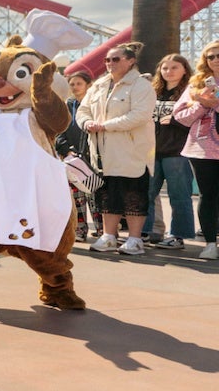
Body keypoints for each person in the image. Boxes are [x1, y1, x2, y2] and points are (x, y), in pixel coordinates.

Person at [79, 43, 156, 255]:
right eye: (107, 60)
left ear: (131, 61)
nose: (110, 63)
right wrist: (86, 123)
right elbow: (83, 110)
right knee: (107, 196)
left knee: (134, 195)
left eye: (116, 59)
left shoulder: (141, 85)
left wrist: (104, 126)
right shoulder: (98, 85)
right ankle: (109, 236)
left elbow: (139, 115)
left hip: (131, 151)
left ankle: (135, 239)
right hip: (102, 152)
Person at [172, 39, 219, 261]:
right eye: (211, 56)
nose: (215, 60)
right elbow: (180, 116)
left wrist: (214, 103)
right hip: (203, 149)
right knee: (208, 196)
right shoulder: (196, 85)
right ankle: (210, 242)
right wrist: (201, 104)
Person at [146, 53, 196, 249]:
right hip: (152, 151)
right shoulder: (153, 92)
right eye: (165, 68)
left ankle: (178, 236)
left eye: (175, 67)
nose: (169, 71)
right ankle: (145, 232)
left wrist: (176, 121)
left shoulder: (190, 92)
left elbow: (197, 118)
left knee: (179, 195)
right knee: (147, 193)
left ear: (185, 70)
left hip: (178, 152)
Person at [56, 71, 97, 239]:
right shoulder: (67, 105)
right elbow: (59, 131)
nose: (75, 87)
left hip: (92, 156)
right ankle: (80, 229)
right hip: (73, 158)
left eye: (79, 83)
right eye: (72, 84)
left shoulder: (95, 103)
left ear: (88, 85)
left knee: (94, 195)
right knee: (76, 196)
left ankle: (102, 230)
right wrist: (66, 150)